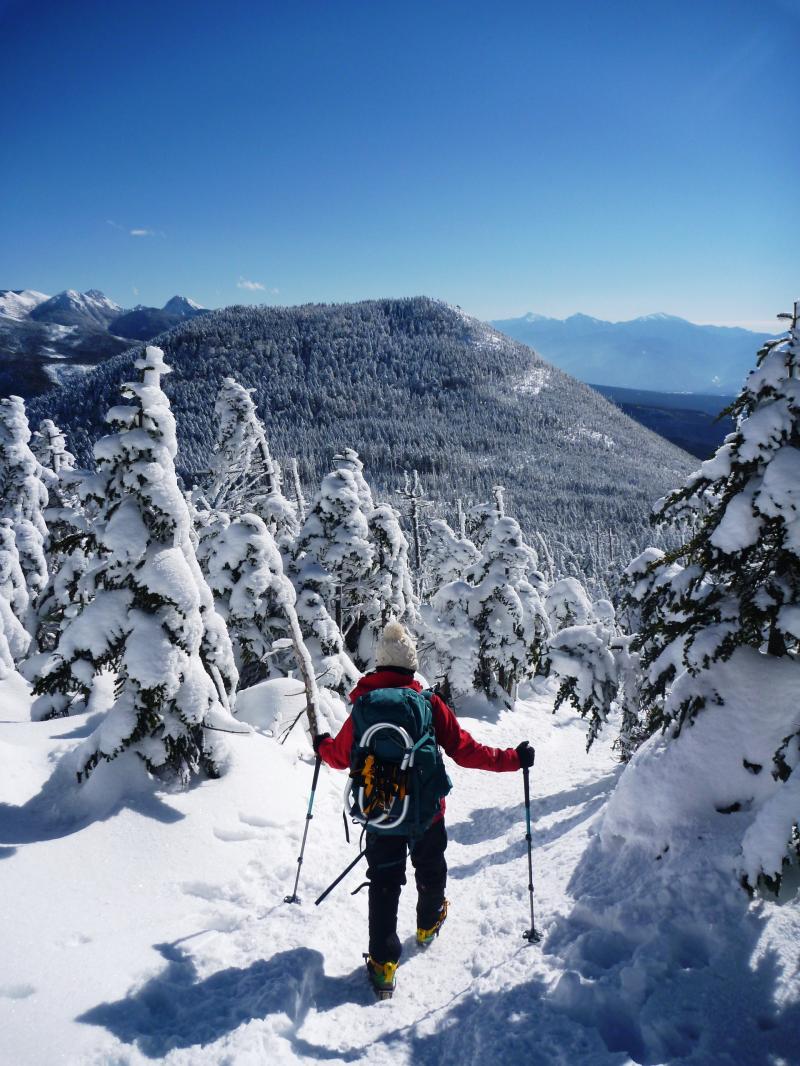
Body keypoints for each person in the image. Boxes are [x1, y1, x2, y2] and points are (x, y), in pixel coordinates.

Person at [313, 620, 535, 995]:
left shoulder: (364, 707)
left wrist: (320, 745)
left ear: (380, 665)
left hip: (381, 812)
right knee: (431, 868)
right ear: (411, 667)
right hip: (426, 811)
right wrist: (514, 759)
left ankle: (383, 966)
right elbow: (467, 751)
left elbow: (338, 755)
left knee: (384, 882)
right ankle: (428, 924)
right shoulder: (429, 705)